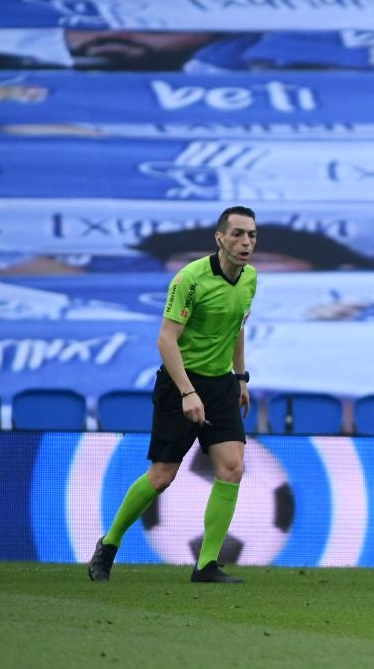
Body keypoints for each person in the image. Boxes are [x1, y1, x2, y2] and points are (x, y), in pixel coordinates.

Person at [88, 206, 259, 584]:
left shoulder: (249, 279)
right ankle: (109, 544)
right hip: (180, 382)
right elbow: (166, 340)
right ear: (220, 238)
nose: (246, 242)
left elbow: (237, 329)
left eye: (251, 235)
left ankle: (206, 565)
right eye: (237, 234)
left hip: (220, 386)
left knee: (232, 467)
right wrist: (187, 393)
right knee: (163, 476)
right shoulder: (190, 279)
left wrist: (241, 377)